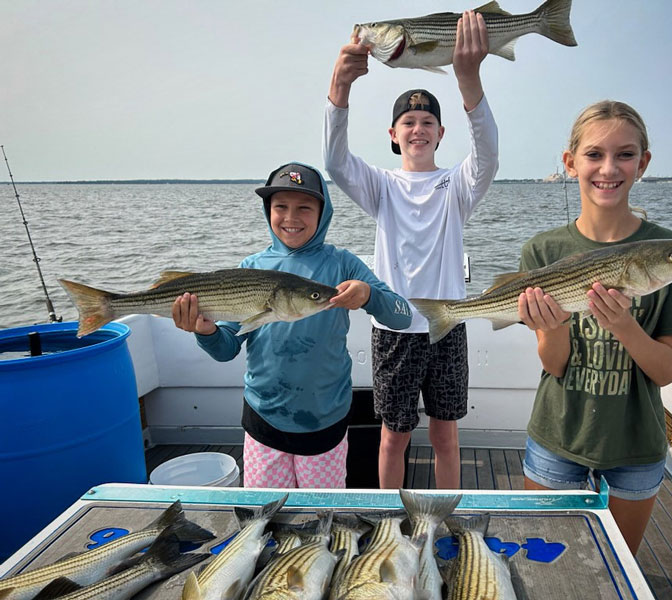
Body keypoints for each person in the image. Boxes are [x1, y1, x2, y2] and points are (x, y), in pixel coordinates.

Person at [516, 100, 672, 554]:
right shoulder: (542, 251)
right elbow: (554, 363)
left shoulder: (670, 260)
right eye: (594, 154)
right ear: (570, 162)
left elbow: (666, 371)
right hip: (558, 434)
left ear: (643, 163)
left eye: (624, 154)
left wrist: (624, 326)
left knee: (619, 562)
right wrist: (554, 327)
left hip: (637, 443)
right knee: (543, 562)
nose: (608, 168)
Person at [324, 11, 499, 489]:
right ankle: (389, 524)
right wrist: (340, 91)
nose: (418, 128)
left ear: (442, 133)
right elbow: (335, 162)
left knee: (445, 435)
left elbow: (488, 155)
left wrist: (469, 81)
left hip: (447, 327)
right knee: (393, 437)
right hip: (394, 326)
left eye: (427, 121)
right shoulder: (381, 186)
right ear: (393, 134)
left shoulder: (456, 185)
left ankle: (446, 519)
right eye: (408, 121)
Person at [172, 162, 412, 489]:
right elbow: (227, 348)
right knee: (266, 517)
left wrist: (368, 295)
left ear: (322, 212)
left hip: (325, 419)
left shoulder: (342, 263)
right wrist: (205, 332)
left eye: (304, 207)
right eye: (280, 206)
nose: (291, 217)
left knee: (322, 516)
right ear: (267, 210)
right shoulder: (250, 268)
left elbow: (401, 316)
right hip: (263, 418)